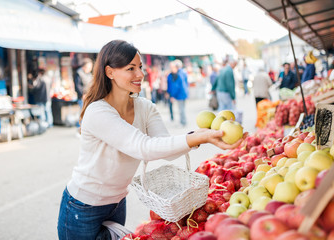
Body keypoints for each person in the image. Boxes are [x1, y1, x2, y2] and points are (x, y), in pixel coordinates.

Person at [57, 40, 247, 240]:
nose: (140, 74)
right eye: (131, 68)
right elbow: (143, 147)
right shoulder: (98, 112)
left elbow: (168, 149)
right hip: (82, 207)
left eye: (140, 67)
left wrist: (200, 137)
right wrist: (196, 138)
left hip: (117, 203)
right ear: (110, 72)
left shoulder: (145, 107)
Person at [167, 59, 189, 127]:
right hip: (184, 93)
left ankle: (183, 122)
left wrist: (172, 95)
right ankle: (183, 121)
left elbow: (176, 86)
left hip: (180, 94)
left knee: (181, 109)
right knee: (182, 108)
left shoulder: (178, 74)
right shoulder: (183, 72)